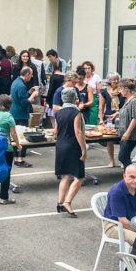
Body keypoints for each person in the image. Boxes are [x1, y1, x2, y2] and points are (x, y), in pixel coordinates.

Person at [53, 87, 87, 216]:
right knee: (79, 177)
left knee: (65, 176)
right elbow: (78, 131)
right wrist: (84, 149)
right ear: (74, 98)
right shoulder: (76, 112)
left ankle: (60, 202)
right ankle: (67, 202)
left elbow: (56, 131)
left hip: (60, 145)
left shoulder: (58, 112)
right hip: (73, 146)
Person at [103, 164, 136, 245]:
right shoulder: (117, 192)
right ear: (124, 176)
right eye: (132, 177)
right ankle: (133, 257)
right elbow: (123, 222)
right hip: (113, 225)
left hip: (132, 222)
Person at [0, 94, 20, 205]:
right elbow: (13, 133)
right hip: (6, 147)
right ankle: (4, 197)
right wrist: (18, 145)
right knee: (6, 172)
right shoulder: (8, 116)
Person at [9, 67, 39, 168]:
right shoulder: (21, 85)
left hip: (15, 112)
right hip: (20, 114)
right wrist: (33, 95)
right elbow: (24, 102)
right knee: (22, 136)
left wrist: (29, 92)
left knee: (16, 136)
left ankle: (17, 157)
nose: (32, 76)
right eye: (31, 74)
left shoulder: (16, 82)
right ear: (26, 74)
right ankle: (20, 158)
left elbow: (20, 96)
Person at [113, 80, 136, 168]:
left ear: (126, 89)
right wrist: (117, 113)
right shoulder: (128, 101)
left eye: (121, 89)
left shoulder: (134, 101)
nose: (120, 91)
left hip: (132, 135)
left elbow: (135, 118)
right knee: (124, 157)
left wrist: (128, 132)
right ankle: (128, 176)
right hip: (126, 133)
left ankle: (132, 174)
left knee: (122, 156)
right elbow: (127, 112)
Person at [99, 73, 124, 167]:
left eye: (117, 79)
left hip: (121, 115)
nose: (116, 81)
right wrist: (101, 119)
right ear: (110, 81)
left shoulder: (122, 91)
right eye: (114, 80)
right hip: (109, 116)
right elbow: (101, 107)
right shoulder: (104, 92)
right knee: (109, 140)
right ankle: (111, 160)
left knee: (122, 139)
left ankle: (122, 160)